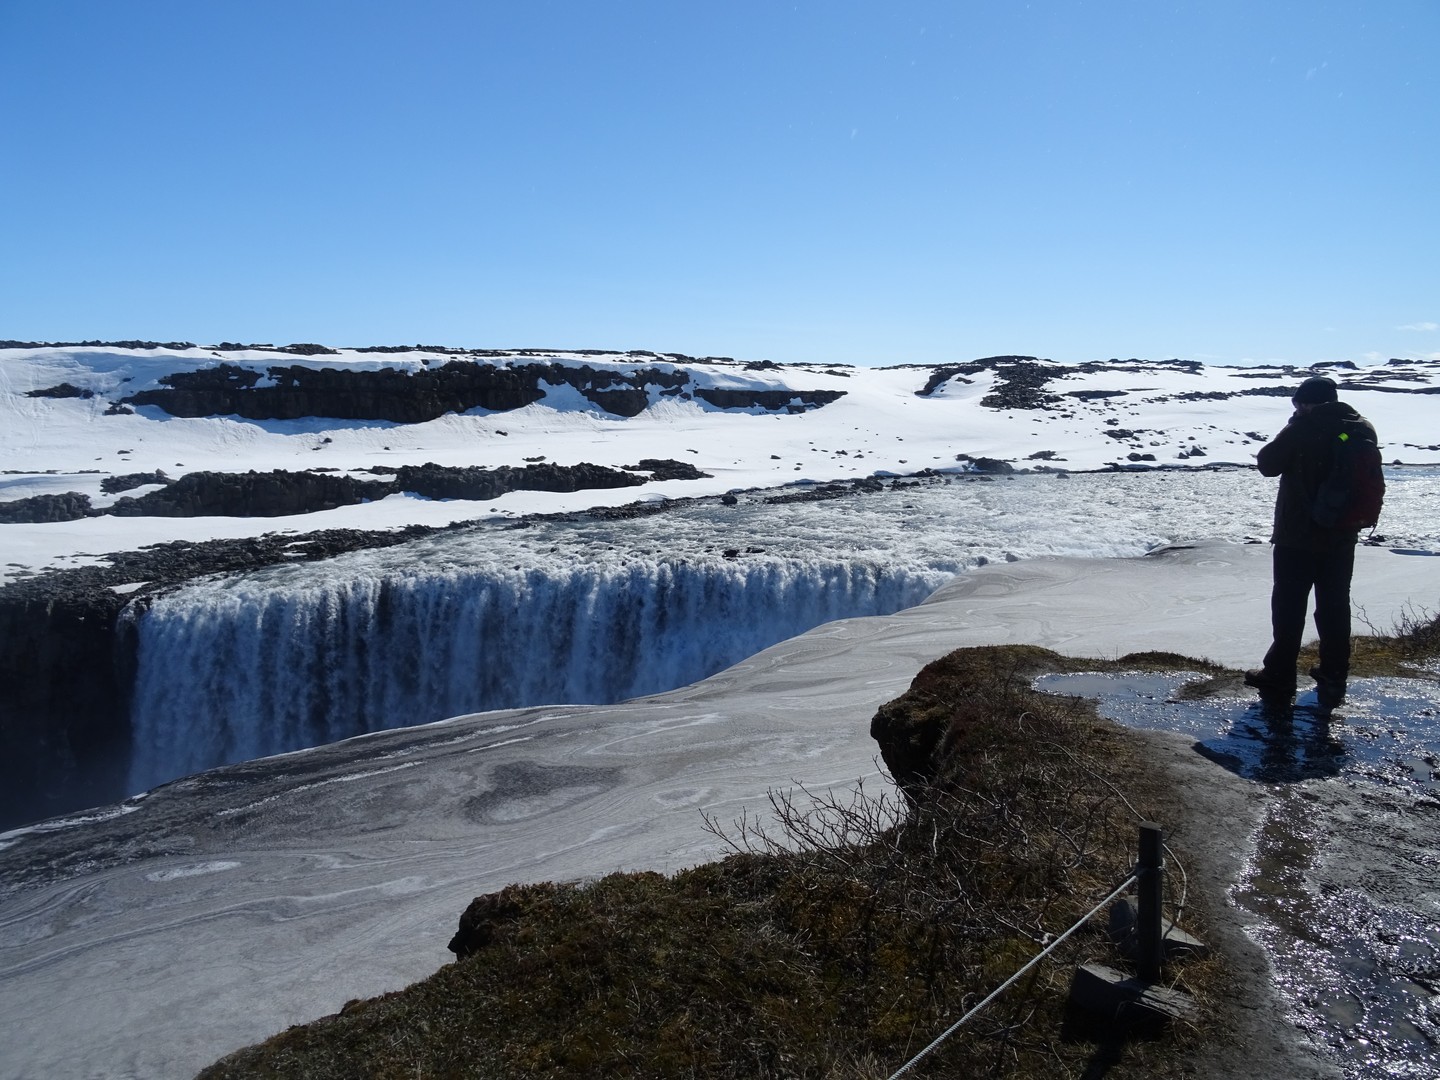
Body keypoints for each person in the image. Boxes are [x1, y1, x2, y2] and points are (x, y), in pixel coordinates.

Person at [1245, 376, 1377, 709]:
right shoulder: (1361, 426)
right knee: (1334, 605)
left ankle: (1279, 673)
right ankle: (1334, 673)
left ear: (1305, 403)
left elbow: (1267, 464)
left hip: (1299, 536)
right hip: (1342, 535)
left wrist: (1293, 426)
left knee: (1289, 607)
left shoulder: (1304, 428)